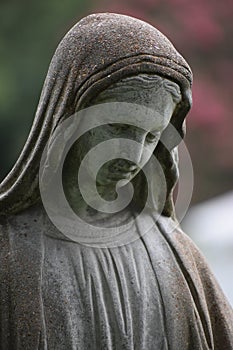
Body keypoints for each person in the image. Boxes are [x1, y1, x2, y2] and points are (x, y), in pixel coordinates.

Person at [0, 13, 232, 349]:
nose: (134, 156)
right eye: (119, 128)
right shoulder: (10, 252)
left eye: (151, 136)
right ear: (68, 115)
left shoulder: (177, 256)